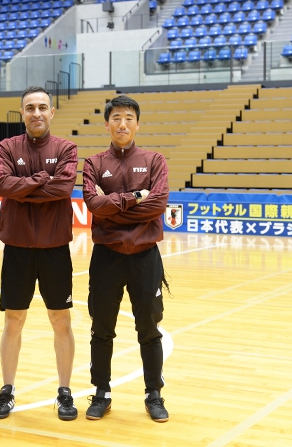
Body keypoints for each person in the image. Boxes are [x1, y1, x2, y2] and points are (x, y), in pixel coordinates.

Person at [0, 86, 78, 421]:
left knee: (61, 320)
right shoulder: (6, 147)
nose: (37, 113)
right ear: (23, 113)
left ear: (52, 112)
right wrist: (43, 179)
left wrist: (24, 184)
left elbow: (63, 188)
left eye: (43, 107)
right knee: (14, 320)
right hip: (18, 247)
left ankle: (65, 391)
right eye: (30, 108)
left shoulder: (66, 148)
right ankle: (7, 389)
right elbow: (2, 186)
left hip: (55, 246)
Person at [82, 95, 170, 423]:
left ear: (137, 123)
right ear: (107, 124)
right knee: (101, 327)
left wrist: (113, 207)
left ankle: (154, 393)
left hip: (146, 256)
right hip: (107, 256)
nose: (122, 123)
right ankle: (101, 392)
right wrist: (135, 198)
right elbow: (93, 204)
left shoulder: (154, 160)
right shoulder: (93, 164)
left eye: (129, 118)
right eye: (116, 117)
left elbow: (158, 205)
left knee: (149, 328)